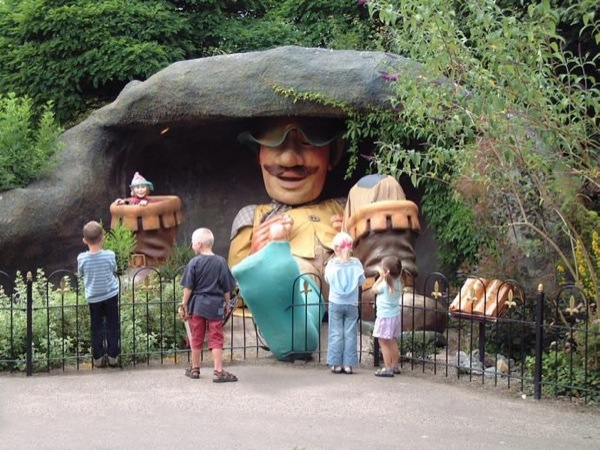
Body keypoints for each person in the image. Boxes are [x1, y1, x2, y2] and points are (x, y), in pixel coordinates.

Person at [230, 116, 420, 361]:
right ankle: (292, 331)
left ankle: (396, 296)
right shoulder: (253, 216)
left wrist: (358, 235)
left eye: (307, 144)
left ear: (332, 154)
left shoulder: (344, 205)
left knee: (381, 185)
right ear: (259, 155)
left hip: (355, 282)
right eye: (276, 146)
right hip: (302, 281)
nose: (289, 160)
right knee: (298, 277)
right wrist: (259, 253)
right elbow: (231, 291)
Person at [179, 228, 238, 382]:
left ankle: (195, 369)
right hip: (215, 305)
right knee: (216, 336)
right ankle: (218, 371)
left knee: (196, 336)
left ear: (199, 244)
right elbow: (226, 287)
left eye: (192, 243)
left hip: (197, 305)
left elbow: (188, 287)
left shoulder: (194, 263)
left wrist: (184, 304)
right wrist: (227, 304)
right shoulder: (221, 262)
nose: (192, 245)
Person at [77, 221, 121, 368]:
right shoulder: (110, 255)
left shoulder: (82, 258)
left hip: (94, 297)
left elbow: (81, 273)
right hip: (110, 295)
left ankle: (97, 358)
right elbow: (114, 269)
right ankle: (113, 356)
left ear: (84, 240)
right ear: (103, 237)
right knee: (112, 326)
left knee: (96, 327)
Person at [324, 232, 365, 374]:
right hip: (352, 303)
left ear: (335, 249)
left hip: (335, 302)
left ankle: (336, 364)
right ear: (351, 247)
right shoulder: (357, 263)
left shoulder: (331, 264)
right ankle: (348, 364)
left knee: (336, 333)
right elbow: (361, 281)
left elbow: (328, 280)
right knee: (350, 333)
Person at [371, 256, 404, 377]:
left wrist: (380, 277)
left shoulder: (385, 285)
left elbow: (373, 290)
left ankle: (387, 367)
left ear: (386, 272)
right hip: (394, 316)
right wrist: (385, 275)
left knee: (383, 342)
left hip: (384, 317)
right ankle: (395, 366)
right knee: (392, 341)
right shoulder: (399, 283)